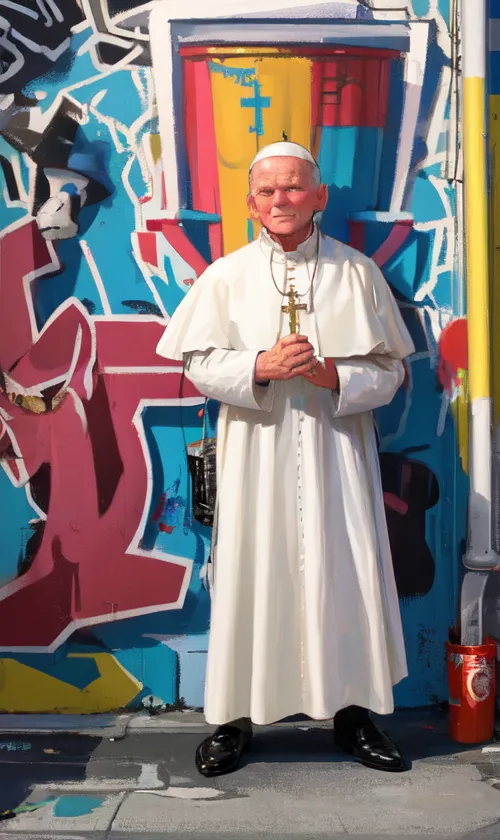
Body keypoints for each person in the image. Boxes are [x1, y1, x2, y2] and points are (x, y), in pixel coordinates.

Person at [157, 141, 415, 777]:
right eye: (268, 191)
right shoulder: (226, 275)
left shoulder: (356, 273)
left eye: (295, 188)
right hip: (256, 448)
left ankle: (354, 714)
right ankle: (236, 719)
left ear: (319, 196)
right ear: (251, 204)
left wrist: (336, 376)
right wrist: (256, 366)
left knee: (347, 572)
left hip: (337, 451)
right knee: (252, 572)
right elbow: (198, 364)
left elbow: (390, 372)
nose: (281, 200)